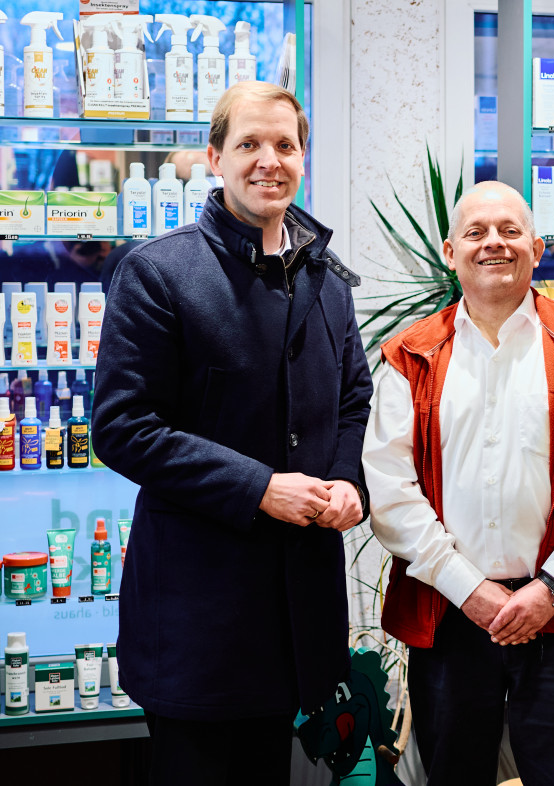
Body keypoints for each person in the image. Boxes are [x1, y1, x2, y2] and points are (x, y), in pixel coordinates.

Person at [93, 82, 372, 784]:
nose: (268, 161)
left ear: (303, 157)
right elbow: (123, 427)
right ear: (214, 158)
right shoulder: (158, 273)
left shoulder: (326, 279)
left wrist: (348, 483)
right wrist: (259, 489)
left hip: (297, 618)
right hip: (199, 623)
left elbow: (354, 402)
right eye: (248, 144)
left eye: (285, 145)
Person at [363, 181, 554, 786]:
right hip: (450, 614)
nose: (494, 243)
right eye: (476, 232)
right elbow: (389, 492)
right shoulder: (409, 355)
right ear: (450, 251)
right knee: (453, 774)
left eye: (510, 231)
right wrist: (471, 589)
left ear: (537, 247)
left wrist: (548, 587)